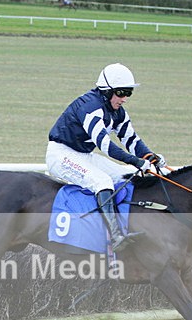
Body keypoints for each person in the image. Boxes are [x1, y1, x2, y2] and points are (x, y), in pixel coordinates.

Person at [46, 63, 166, 251]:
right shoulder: (90, 107)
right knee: (102, 181)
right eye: (121, 93)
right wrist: (136, 161)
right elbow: (105, 145)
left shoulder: (118, 112)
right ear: (107, 91)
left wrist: (149, 156)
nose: (124, 98)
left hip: (84, 154)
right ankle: (116, 236)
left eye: (129, 93)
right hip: (60, 154)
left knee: (125, 176)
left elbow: (131, 139)